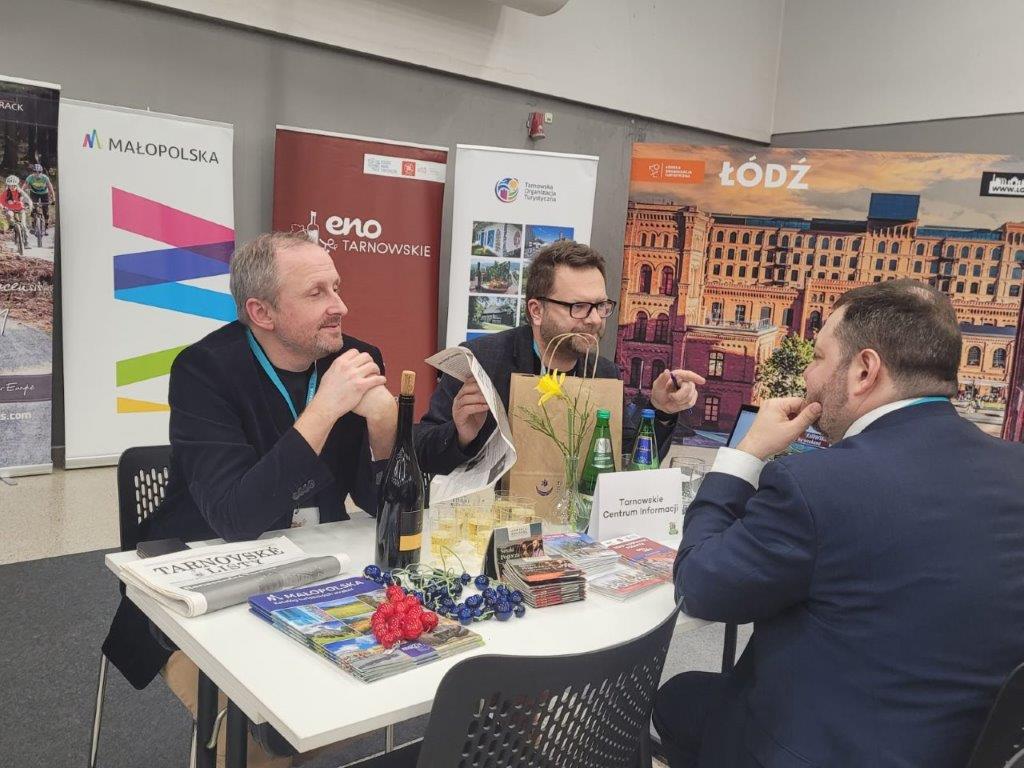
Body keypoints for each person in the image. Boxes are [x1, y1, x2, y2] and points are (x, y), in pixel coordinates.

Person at [654, 279, 1024, 768]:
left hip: (810, 749)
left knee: (676, 696)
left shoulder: (815, 484)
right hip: (959, 746)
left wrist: (746, 454)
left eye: (818, 357)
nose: (808, 376)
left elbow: (699, 587)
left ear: (864, 371)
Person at [103, 232, 398, 767]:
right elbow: (236, 518)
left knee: (392, 678)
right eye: (316, 293)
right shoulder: (204, 370)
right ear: (262, 312)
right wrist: (324, 410)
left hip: (316, 570)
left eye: (336, 287)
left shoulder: (354, 358)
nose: (339, 306)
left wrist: (383, 427)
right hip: (202, 580)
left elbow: (382, 504)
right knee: (261, 736)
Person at [416, 240, 704, 474]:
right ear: (536, 311)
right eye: (578, 306)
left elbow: (624, 459)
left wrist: (661, 411)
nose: (594, 319)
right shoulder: (482, 361)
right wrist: (461, 435)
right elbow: (421, 451)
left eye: (600, 306)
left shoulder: (604, 373)